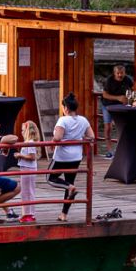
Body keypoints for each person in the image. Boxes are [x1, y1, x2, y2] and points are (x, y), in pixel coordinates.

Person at [51, 94, 92, 222]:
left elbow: (58, 137)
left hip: (61, 157)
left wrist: (52, 141)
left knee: (50, 178)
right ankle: (64, 214)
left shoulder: (63, 120)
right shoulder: (83, 120)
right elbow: (91, 137)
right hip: (76, 157)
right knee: (70, 181)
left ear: (66, 108)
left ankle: (69, 187)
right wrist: (79, 138)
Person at [99, 64, 133, 157]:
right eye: (118, 73)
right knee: (108, 128)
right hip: (107, 105)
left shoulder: (128, 80)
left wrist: (131, 99)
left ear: (125, 73)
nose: (120, 75)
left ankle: (119, 149)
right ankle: (109, 150)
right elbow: (105, 95)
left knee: (121, 127)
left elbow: (132, 91)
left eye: (122, 73)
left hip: (120, 106)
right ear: (114, 73)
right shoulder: (109, 80)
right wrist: (118, 98)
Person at [14, 120, 42, 223]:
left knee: (28, 191)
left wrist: (20, 155)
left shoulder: (30, 143)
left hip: (28, 168)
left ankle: (29, 214)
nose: (21, 132)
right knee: (26, 191)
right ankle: (26, 213)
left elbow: (32, 157)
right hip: (26, 168)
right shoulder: (28, 142)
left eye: (22, 130)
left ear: (27, 131)